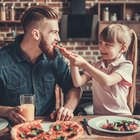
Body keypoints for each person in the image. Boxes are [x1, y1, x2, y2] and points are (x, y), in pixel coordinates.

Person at [0, 5, 81, 124]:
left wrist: (68, 108)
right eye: (54, 32)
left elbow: (73, 88)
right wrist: (7, 111)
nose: (58, 38)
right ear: (36, 34)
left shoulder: (56, 57)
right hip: (11, 130)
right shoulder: (2, 60)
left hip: (49, 128)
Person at [60, 24, 138, 115]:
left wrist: (85, 64)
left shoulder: (125, 65)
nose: (101, 47)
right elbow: (78, 82)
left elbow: (107, 81)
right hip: (98, 116)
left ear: (123, 48)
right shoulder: (97, 65)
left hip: (120, 116)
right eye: (100, 43)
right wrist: (73, 62)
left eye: (108, 44)